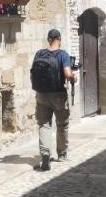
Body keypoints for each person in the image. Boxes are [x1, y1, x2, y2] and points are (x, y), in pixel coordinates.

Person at [31, 28, 75, 172]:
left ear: (49, 39)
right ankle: (61, 154)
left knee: (44, 124)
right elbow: (68, 74)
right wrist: (74, 78)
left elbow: (32, 73)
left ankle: (45, 154)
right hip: (58, 94)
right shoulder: (63, 55)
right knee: (62, 124)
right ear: (59, 39)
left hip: (42, 94)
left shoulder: (39, 54)